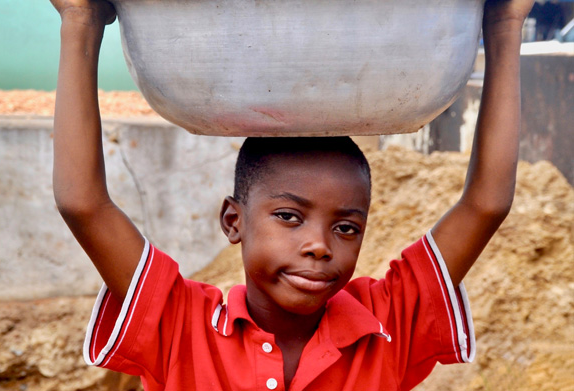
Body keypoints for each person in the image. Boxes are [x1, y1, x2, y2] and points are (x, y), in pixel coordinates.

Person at [50, 0, 535, 389]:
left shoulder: (386, 326)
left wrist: (503, 27)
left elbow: (486, 203)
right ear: (233, 221)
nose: (320, 245)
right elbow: (83, 203)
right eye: (288, 216)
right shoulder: (180, 327)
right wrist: (80, 19)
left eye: (346, 227)